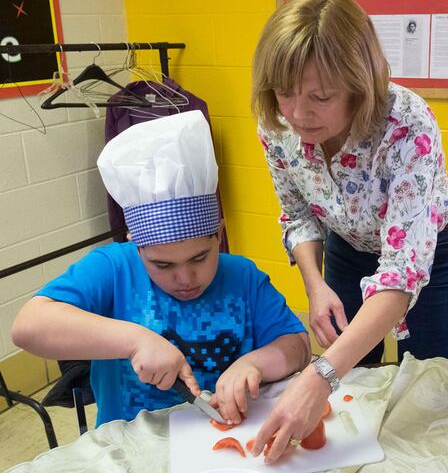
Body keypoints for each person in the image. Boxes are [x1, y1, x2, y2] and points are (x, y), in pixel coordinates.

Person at [250, 0, 448, 462]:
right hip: (346, 248)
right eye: (285, 93)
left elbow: (402, 272)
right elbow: (298, 214)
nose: (297, 113)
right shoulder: (277, 125)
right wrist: (315, 286)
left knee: (425, 386)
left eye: (320, 97)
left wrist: (317, 377)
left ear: (359, 82)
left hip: (430, 255)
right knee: (350, 386)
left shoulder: (406, 125)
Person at [11, 111, 310, 427]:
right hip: (132, 452)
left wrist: (254, 364)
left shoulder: (242, 276)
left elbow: (298, 346)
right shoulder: (113, 269)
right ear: (135, 245)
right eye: (162, 265)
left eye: (199, 258)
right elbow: (28, 326)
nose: (185, 279)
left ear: (219, 235)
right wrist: (135, 340)